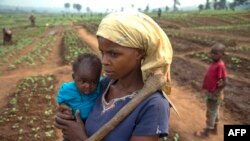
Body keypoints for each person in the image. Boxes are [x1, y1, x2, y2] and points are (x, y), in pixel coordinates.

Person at [55, 11, 173, 141]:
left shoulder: (153, 105)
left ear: (139, 53)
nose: (104, 61)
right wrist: (67, 115)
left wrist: (80, 138)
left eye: (113, 54)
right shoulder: (103, 85)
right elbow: (81, 110)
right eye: (102, 52)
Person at [57, 53, 102, 141]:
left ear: (98, 79)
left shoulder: (102, 85)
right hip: (74, 123)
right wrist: (65, 108)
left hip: (91, 126)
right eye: (83, 81)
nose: (88, 86)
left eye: (93, 82)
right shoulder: (67, 90)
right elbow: (61, 102)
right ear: (74, 77)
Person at [195, 42, 227, 138]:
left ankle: (207, 132)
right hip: (213, 92)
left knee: (211, 112)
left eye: (215, 53)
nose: (213, 55)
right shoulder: (215, 63)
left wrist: (216, 92)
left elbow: (225, 81)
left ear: (221, 54)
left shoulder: (220, 65)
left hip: (214, 93)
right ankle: (214, 129)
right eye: (212, 53)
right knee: (214, 110)